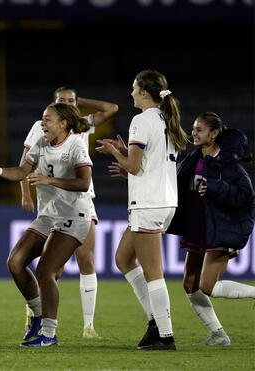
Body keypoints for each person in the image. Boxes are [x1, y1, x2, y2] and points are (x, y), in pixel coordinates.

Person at [0, 103, 93, 347]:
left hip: (73, 216)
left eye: (48, 119)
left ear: (63, 123)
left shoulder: (76, 145)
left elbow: (83, 183)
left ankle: (49, 334)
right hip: (48, 216)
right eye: (42, 119)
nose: (43, 123)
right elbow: (21, 171)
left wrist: (49, 179)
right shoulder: (41, 142)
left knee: (45, 271)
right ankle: (39, 316)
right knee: (15, 262)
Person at [96, 69, 188, 351]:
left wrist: (114, 152)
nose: (131, 93)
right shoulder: (165, 118)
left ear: (145, 93)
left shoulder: (142, 119)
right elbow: (146, 163)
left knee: (153, 273)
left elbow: (133, 167)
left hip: (148, 203)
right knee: (123, 259)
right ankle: (154, 321)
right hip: (164, 201)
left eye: (134, 89)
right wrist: (126, 152)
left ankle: (165, 335)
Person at [19, 87, 118, 339]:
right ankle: (40, 314)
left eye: (71, 100)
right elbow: (24, 163)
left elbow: (112, 108)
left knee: (86, 258)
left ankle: (88, 326)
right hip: (54, 203)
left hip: (81, 200)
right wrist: (25, 193)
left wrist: (81, 100)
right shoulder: (41, 127)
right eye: (62, 101)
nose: (68, 104)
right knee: (53, 268)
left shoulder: (82, 124)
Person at [166, 112, 255, 345]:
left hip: (220, 228)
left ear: (215, 134)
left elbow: (246, 196)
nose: (193, 133)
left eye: (200, 130)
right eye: (193, 128)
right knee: (190, 283)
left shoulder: (229, 163)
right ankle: (218, 334)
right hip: (197, 226)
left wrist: (216, 186)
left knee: (207, 286)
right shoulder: (194, 158)